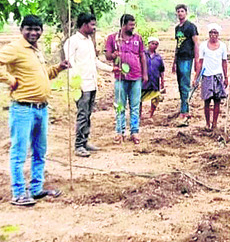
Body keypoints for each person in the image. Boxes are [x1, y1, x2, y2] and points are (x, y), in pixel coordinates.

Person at [0, 15, 69, 206]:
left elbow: (42, 74)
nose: (33, 32)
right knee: (19, 151)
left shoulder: (35, 50)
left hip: (41, 109)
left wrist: (58, 68)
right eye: (29, 28)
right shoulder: (16, 48)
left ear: (41, 31)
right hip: (23, 108)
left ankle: (36, 189)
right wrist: (10, 80)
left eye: (37, 29)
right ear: (21, 29)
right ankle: (19, 193)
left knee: (40, 151)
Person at [64, 12, 113, 158]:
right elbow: (70, 64)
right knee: (82, 115)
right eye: (92, 24)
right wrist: (76, 85)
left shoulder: (88, 41)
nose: (94, 27)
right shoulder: (72, 42)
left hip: (92, 84)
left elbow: (95, 62)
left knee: (88, 114)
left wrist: (111, 69)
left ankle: (84, 141)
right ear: (84, 25)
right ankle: (79, 145)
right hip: (81, 85)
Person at [105, 14, 148, 144]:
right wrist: (113, 55)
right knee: (120, 106)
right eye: (130, 25)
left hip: (136, 76)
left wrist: (145, 74)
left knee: (135, 106)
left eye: (134, 24)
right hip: (120, 77)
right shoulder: (113, 38)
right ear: (123, 25)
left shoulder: (138, 38)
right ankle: (120, 131)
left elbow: (142, 56)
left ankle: (134, 132)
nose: (133, 27)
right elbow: (107, 55)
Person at [195, 23, 228, 130]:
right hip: (206, 76)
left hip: (218, 76)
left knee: (217, 101)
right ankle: (207, 123)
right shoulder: (204, 46)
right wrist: (196, 77)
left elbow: (224, 62)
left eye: (215, 33)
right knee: (207, 101)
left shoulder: (222, 46)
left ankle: (215, 123)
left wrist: (226, 77)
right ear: (209, 34)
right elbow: (200, 62)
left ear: (218, 34)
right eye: (211, 32)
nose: (213, 35)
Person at [172, 4, 199, 127]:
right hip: (179, 58)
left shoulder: (191, 27)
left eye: (182, 11)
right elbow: (177, 45)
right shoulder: (177, 28)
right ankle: (183, 108)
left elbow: (196, 44)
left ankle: (185, 111)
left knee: (185, 84)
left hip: (188, 58)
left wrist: (197, 60)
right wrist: (174, 61)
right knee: (180, 84)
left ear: (186, 13)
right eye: (178, 11)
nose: (180, 13)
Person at [141, 36, 165, 118]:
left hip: (155, 81)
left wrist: (162, 82)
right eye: (152, 43)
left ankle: (151, 114)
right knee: (139, 98)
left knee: (155, 99)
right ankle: (138, 115)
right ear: (148, 44)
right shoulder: (143, 54)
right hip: (143, 82)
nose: (154, 45)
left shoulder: (158, 57)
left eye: (156, 44)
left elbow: (162, 70)